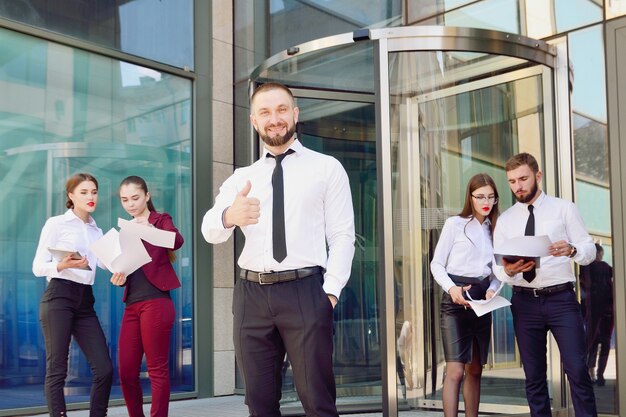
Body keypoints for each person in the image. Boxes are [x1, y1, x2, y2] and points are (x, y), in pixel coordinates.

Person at [201, 82, 355, 417]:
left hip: (306, 292)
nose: (275, 119)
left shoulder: (326, 168)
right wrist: (229, 216)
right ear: (254, 121)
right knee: (260, 404)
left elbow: (343, 236)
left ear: (295, 114)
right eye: (265, 112)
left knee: (318, 402)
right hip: (251, 297)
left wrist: (329, 294)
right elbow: (209, 230)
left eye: (282, 109)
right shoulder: (242, 178)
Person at [493, 153, 598, 417]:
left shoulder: (564, 208)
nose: (518, 186)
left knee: (576, 369)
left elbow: (589, 251)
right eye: (512, 181)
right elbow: (496, 267)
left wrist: (572, 250)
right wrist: (508, 270)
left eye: (524, 178)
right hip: (524, 302)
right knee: (534, 377)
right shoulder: (505, 220)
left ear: (537, 176)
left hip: (561, 300)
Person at [32, 173, 113, 417]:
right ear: (71, 196)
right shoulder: (56, 224)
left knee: (104, 369)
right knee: (57, 369)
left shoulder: (96, 231)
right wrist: (63, 265)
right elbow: (37, 266)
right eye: (84, 192)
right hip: (59, 296)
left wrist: (121, 270)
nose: (91, 197)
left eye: (94, 192)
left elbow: (109, 265)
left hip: (85, 301)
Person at [109, 176, 184, 417]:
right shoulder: (125, 229)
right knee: (127, 371)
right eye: (124, 200)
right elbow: (128, 265)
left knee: (156, 369)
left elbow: (177, 241)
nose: (130, 204)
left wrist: (150, 231)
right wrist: (119, 275)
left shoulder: (160, 220)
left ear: (147, 196)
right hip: (132, 304)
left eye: (135, 198)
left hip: (157, 301)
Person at [430, 173, 501, 417]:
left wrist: (494, 288)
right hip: (455, 298)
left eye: (491, 196)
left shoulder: (496, 229)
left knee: (475, 369)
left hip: (483, 299)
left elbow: (498, 271)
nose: (486, 201)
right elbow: (436, 264)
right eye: (480, 196)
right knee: (456, 371)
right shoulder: (454, 224)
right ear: (469, 197)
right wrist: (452, 289)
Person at [579, 243, 614, 387]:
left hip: (591, 311)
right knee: (604, 344)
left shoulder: (583, 268)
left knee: (591, 343)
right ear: (598, 253)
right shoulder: (604, 267)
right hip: (607, 311)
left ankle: (589, 373)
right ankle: (600, 375)